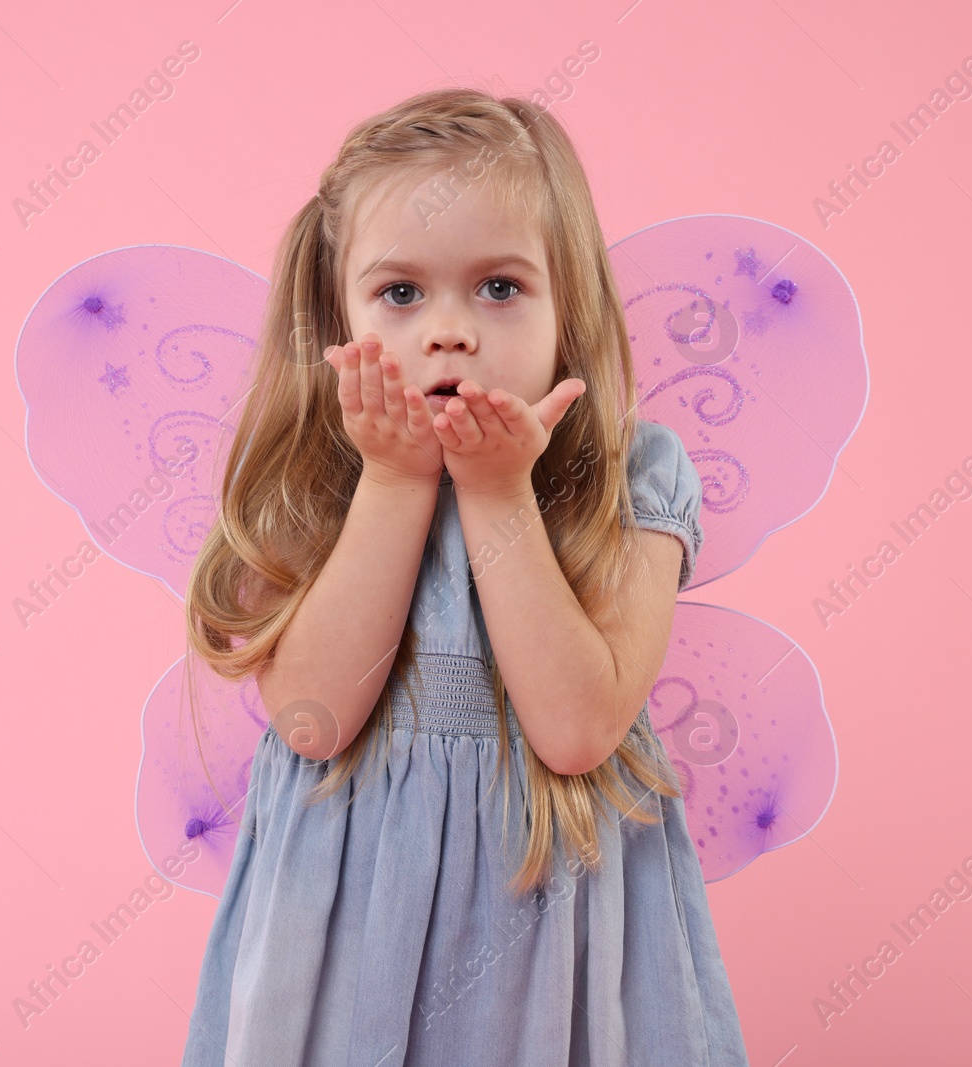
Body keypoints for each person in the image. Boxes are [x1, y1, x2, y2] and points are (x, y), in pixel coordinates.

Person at [179, 86, 750, 1066]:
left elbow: (575, 730)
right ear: (338, 314)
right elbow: (313, 715)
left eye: (499, 287)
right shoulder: (321, 476)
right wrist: (398, 479)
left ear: (568, 301)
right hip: (354, 931)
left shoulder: (632, 476)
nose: (449, 330)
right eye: (400, 293)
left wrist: (497, 494)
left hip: (555, 936)